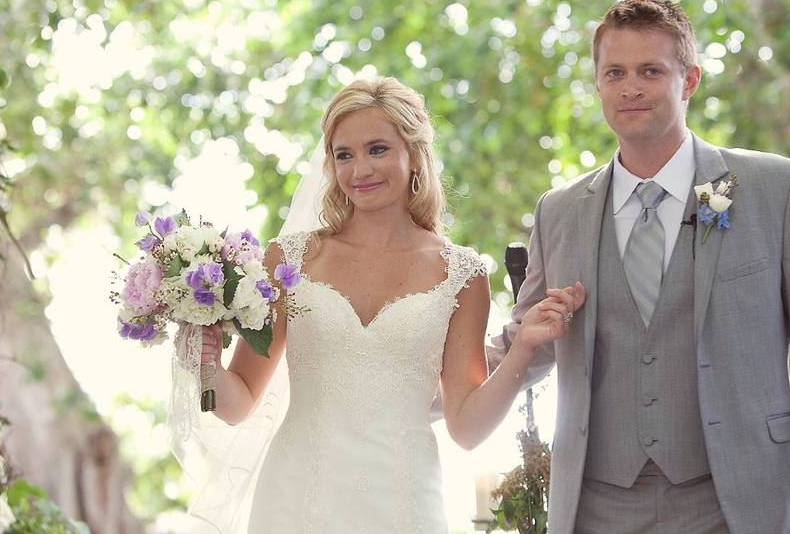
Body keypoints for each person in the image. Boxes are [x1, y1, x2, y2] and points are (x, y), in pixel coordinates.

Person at [488, 0, 790, 534]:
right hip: (599, 504)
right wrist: (423, 391)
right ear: (597, 84)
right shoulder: (560, 211)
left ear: (689, 79)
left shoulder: (770, 187)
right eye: (615, 72)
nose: (631, 88)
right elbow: (523, 344)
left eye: (651, 71)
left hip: (739, 496)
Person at [198, 76, 583, 533]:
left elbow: (467, 428)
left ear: (413, 154)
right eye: (345, 154)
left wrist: (523, 349)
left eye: (377, 149)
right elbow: (236, 402)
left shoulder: (461, 275)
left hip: (404, 502)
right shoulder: (289, 259)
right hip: (295, 499)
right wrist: (202, 357)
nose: (360, 170)